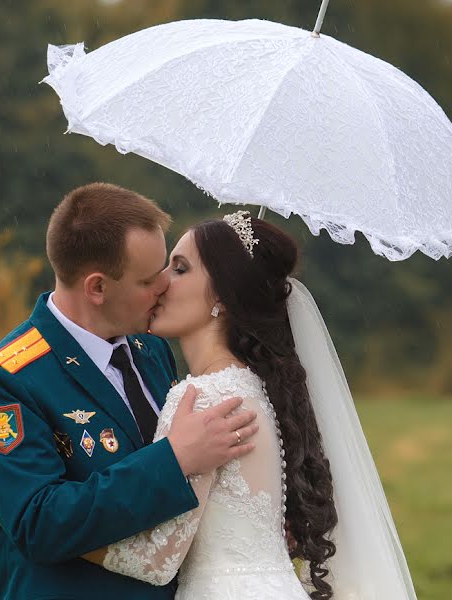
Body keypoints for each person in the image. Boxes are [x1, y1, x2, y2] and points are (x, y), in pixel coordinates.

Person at [82, 211, 417, 599]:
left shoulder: (202, 398)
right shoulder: (254, 388)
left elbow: (156, 560)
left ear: (222, 296)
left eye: (180, 269)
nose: (161, 284)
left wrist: (48, 529)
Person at [0, 183, 258, 600]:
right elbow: (38, 524)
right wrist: (173, 458)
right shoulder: (4, 382)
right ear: (97, 288)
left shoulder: (152, 351)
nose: (165, 287)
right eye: (150, 279)